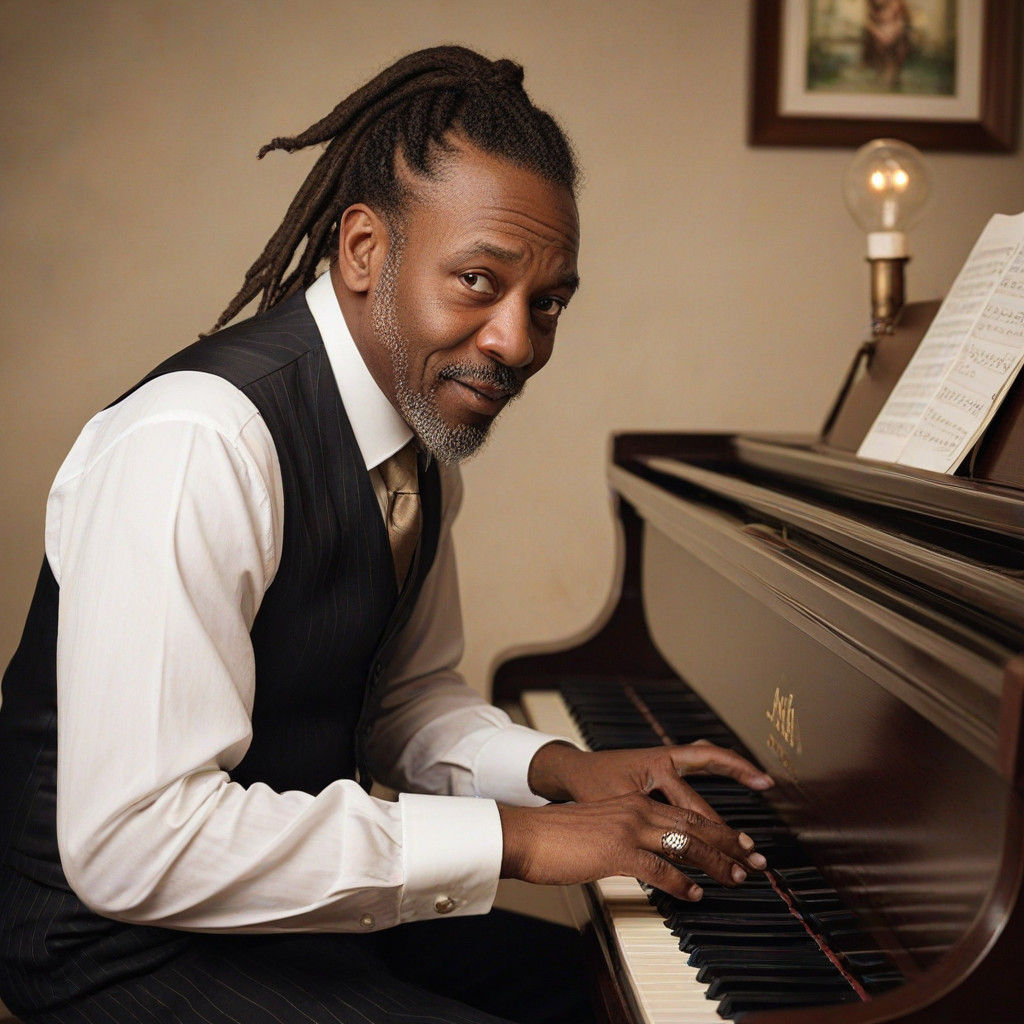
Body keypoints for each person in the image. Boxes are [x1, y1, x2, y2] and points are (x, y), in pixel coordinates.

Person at [0, 45, 772, 1024]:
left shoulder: (416, 444)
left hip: (278, 908)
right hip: (106, 947)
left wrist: (557, 772)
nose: (517, 341)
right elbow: (137, 844)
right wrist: (526, 841)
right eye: (479, 282)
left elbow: (396, 704)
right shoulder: (200, 442)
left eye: (547, 303)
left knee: (603, 996)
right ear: (365, 251)